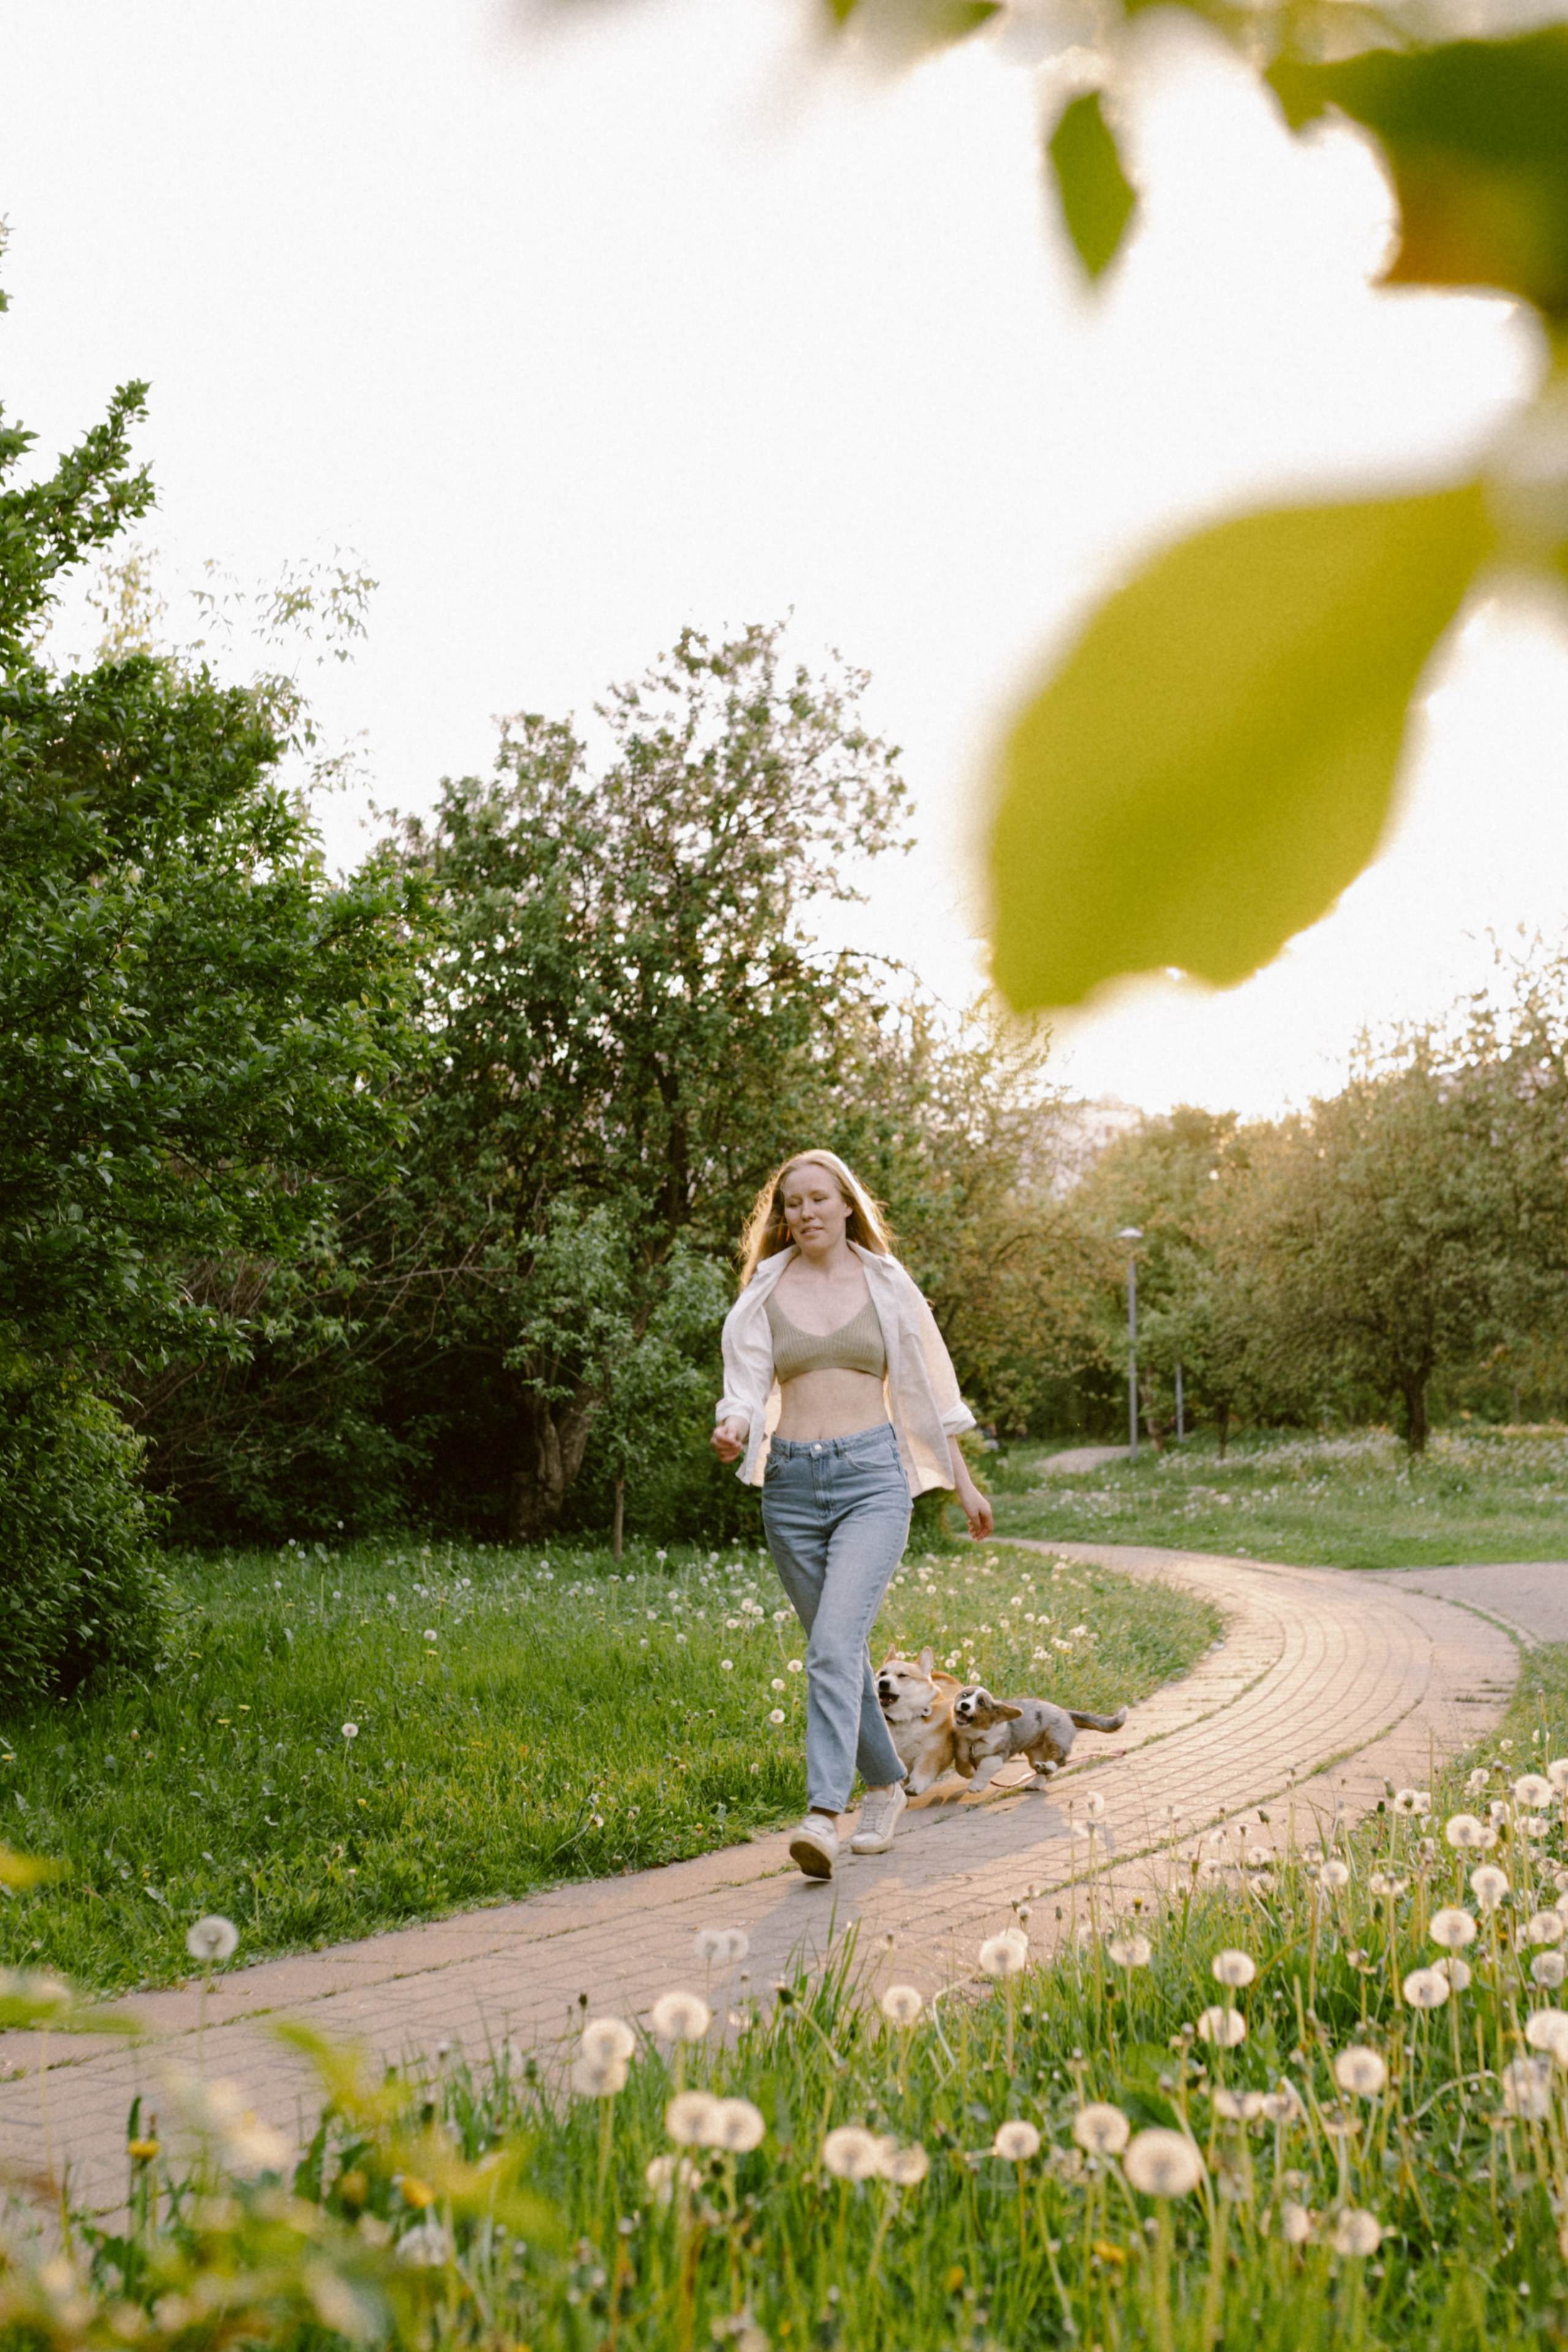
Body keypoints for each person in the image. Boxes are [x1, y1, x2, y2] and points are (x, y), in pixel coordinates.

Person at [712, 1150, 993, 1879]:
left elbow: (927, 1394)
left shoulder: (886, 1283)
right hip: (792, 1490)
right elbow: (743, 1386)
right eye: (792, 1204)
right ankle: (885, 1785)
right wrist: (734, 1427)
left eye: (818, 1199)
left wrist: (964, 1485)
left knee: (833, 1649)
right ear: (783, 1218)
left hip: (873, 1479)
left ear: (845, 1206)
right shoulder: (763, 1291)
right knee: (842, 1656)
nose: (804, 1213)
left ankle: (820, 1815)